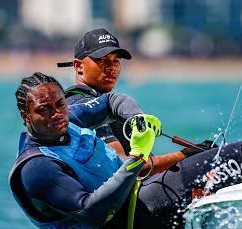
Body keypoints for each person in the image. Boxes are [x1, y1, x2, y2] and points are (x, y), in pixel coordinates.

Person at [9, 73, 242, 229]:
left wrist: (135, 119)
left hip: (145, 200)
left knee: (222, 166)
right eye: (44, 109)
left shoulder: (69, 119)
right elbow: (91, 210)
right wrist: (136, 157)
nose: (57, 114)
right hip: (140, 227)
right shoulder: (37, 168)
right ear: (25, 115)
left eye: (60, 104)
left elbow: (112, 101)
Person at [57, 28, 204, 174]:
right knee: (213, 158)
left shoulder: (97, 101)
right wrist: (186, 155)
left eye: (116, 61)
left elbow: (146, 164)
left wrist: (190, 154)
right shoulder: (87, 108)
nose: (111, 67)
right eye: (102, 60)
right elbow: (124, 168)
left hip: (134, 189)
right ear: (79, 66)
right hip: (120, 194)